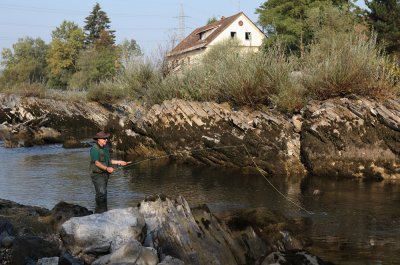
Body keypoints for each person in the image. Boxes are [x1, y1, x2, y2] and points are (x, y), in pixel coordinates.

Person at [89, 131, 129, 211]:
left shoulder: (105, 148)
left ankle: (102, 211)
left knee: (103, 194)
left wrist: (119, 162)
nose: (106, 140)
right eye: (104, 139)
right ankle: (100, 212)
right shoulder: (94, 149)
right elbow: (97, 163)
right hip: (97, 175)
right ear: (98, 139)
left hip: (105, 174)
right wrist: (107, 168)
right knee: (101, 194)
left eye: (106, 138)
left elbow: (109, 161)